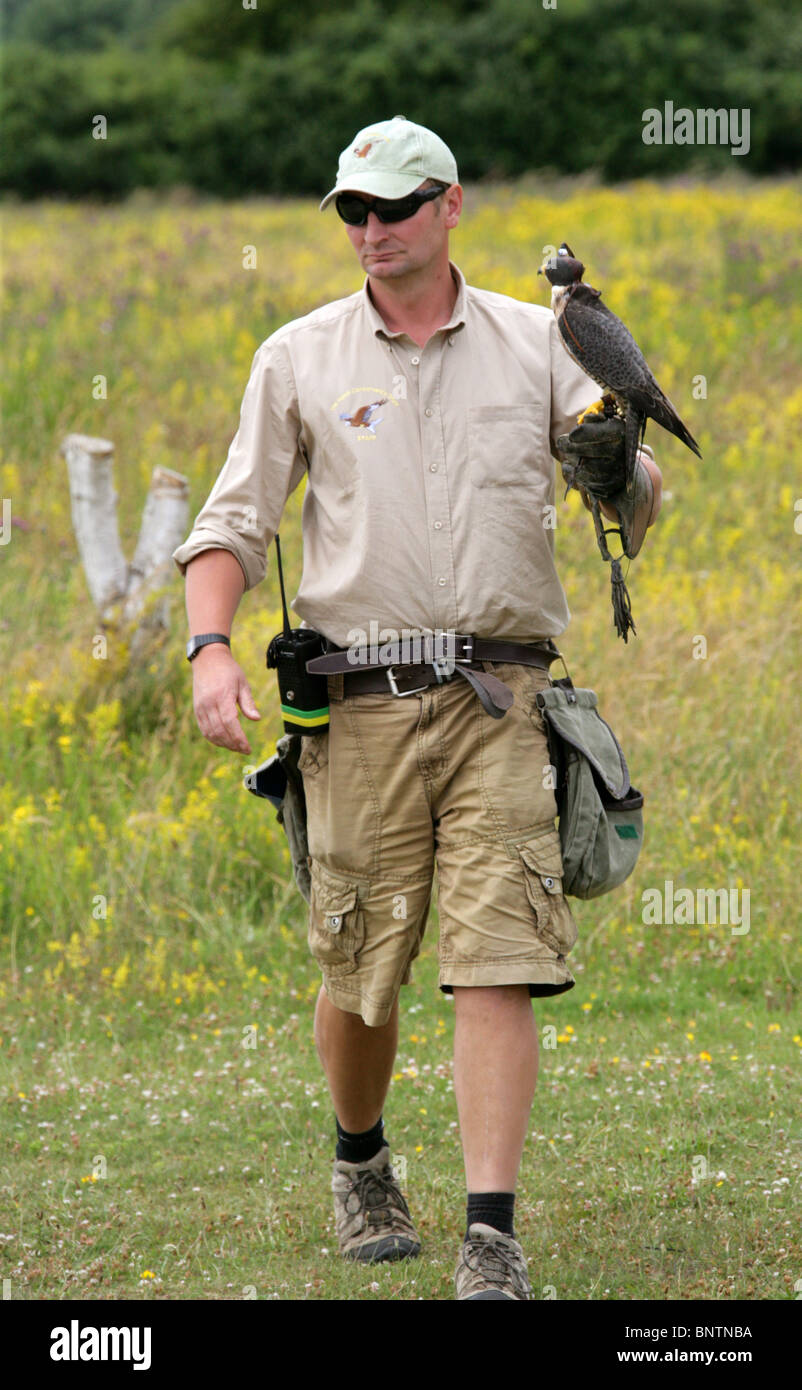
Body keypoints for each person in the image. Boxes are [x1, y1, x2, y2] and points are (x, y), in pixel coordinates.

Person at [171, 115, 662, 1300]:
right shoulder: (296, 356)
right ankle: (361, 1157)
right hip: (360, 706)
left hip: (502, 695)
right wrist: (209, 648)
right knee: (361, 971)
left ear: (452, 205)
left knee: (497, 960)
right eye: (353, 209)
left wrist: (620, 469)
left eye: (395, 205)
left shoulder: (537, 341)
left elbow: (633, 507)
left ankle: (490, 1234)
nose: (373, 228)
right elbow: (232, 522)